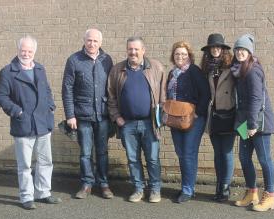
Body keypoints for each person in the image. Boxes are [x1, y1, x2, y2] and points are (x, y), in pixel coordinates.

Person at [0, 35, 61, 210]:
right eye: (23, 50)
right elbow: (0, 97)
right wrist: (17, 111)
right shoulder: (8, 72)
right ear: (17, 50)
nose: (26, 53)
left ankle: (43, 193)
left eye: (30, 51)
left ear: (34, 51)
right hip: (23, 124)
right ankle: (26, 197)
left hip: (43, 122)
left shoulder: (40, 68)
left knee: (46, 162)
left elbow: (46, 89)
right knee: (25, 165)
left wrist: (50, 106)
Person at [108, 36, 166, 203]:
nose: (133, 52)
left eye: (136, 49)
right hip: (127, 124)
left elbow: (163, 95)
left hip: (150, 123)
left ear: (143, 50)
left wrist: (161, 117)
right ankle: (138, 188)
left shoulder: (155, 67)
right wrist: (117, 117)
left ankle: (155, 189)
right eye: (130, 49)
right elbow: (110, 96)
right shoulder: (117, 70)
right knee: (133, 159)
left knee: (153, 158)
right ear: (127, 50)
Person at [62, 28, 114, 199]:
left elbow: (111, 88)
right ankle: (86, 184)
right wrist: (70, 115)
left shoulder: (107, 60)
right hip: (82, 115)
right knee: (85, 153)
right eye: (89, 40)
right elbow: (67, 89)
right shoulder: (74, 60)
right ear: (84, 41)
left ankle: (104, 183)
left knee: (102, 152)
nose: (92, 44)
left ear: (101, 42)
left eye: (95, 41)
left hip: (103, 115)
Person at [231, 34, 274, 211]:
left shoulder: (253, 70)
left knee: (264, 159)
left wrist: (252, 125)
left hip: (258, 123)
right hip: (244, 123)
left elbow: (256, 99)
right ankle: (252, 192)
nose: (240, 52)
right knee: (243, 157)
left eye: (243, 49)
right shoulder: (239, 69)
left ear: (249, 52)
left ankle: (270, 196)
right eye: (237, 49)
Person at [167, 41, 210, 203]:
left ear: (189, 56)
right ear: (173, 56)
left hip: (194, 118)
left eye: (183, 54)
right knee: (181, 153)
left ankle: (187, 189)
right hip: (175, 118)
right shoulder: (172, 73)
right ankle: (187, 186)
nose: (180, 57)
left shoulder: (194, 71)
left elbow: (205, 94)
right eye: (177, 54)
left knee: (188, 153)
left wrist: (198, 113)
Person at [201, 33, 236, 202]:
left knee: (227, 153)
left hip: (229, 115)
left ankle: (225, 187)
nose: (215, 49)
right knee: (217, 153)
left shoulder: (232, 68)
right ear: (208, 50)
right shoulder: (207, 69)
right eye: (212, 47)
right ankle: (219, 184)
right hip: (213, 117)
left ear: (223, 49)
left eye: (218, 47)